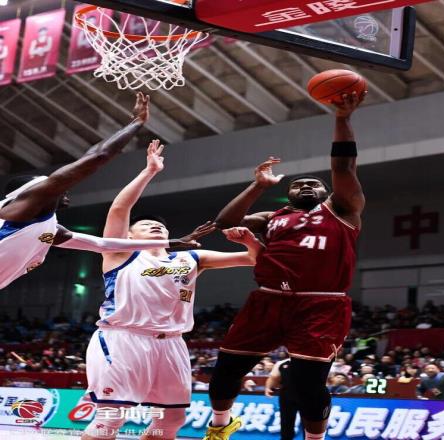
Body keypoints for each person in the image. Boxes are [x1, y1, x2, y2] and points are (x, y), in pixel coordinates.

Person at [204, 91, 366, 440]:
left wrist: (342, 119)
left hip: (320, 304)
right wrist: (258, 185)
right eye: (298, 184)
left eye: (314, 184)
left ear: (326, 193)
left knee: (307, 385)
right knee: (225, 371)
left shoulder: (342, 210)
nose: (306, 186)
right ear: (288, 195)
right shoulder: (272, 217)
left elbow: (343, 167)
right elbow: (224, 221)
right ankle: (219, 427)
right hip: (267, 300)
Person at [81, 141, 264, 440]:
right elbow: (119, 208)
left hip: (172, 344)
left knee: (171, 421)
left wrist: (249, 241)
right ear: (129, 236)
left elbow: (253, 259)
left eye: (160, 226)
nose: (155, 227)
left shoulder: (191, 258)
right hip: (124, 338)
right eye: (145, 225)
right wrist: (150, 171)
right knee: (110, 419)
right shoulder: (120, 254)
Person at [0, 93, 199, 290]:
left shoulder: (49, 231)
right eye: (54, 186)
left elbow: (102, 245)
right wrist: (136, 122)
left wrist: (171, 243)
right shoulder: (30, 204)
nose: (65, 189)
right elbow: (98, 156)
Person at [265, 358, 301, 440]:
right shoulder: (281, 363)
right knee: (286, 421)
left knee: (309, 422)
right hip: (287, 395)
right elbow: (273, 378)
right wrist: (268, 387)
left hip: (308, 396)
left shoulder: (313, 361)